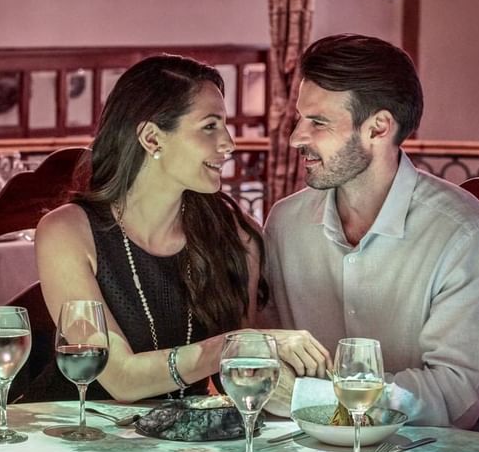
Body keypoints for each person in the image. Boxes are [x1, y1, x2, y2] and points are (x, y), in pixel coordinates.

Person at [264, 34, 479, 434]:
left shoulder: (461, 233)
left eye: (318, 122)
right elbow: (271, 355)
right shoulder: (285, 224)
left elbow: (454, 398)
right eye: (301, 118)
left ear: (379, 127)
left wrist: (310, 398)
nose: (297, 137)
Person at [34, 54, 326, 402]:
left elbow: (242, 373)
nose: (229, 144)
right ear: (152, 138)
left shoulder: (237, 235)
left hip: (188, 443)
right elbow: (119, 378)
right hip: (77, 434)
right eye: (210, 126)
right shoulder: (66, 232)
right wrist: (232, 347)